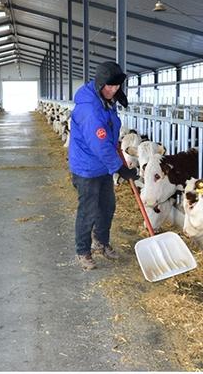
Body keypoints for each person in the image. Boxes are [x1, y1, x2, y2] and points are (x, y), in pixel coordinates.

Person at [68, 61, 139, 271]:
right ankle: (83, 251)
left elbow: (110, 133)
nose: (114, 90)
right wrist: (120, 168)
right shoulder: (89, 109)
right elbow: (99, 143)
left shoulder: (107, 100)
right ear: (100, 84)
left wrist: (115, 160)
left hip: (103, 166)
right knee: (88, 211)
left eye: (117, 86)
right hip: (87, 168)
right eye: (110, 86)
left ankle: (101, 242)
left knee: (107, 207)